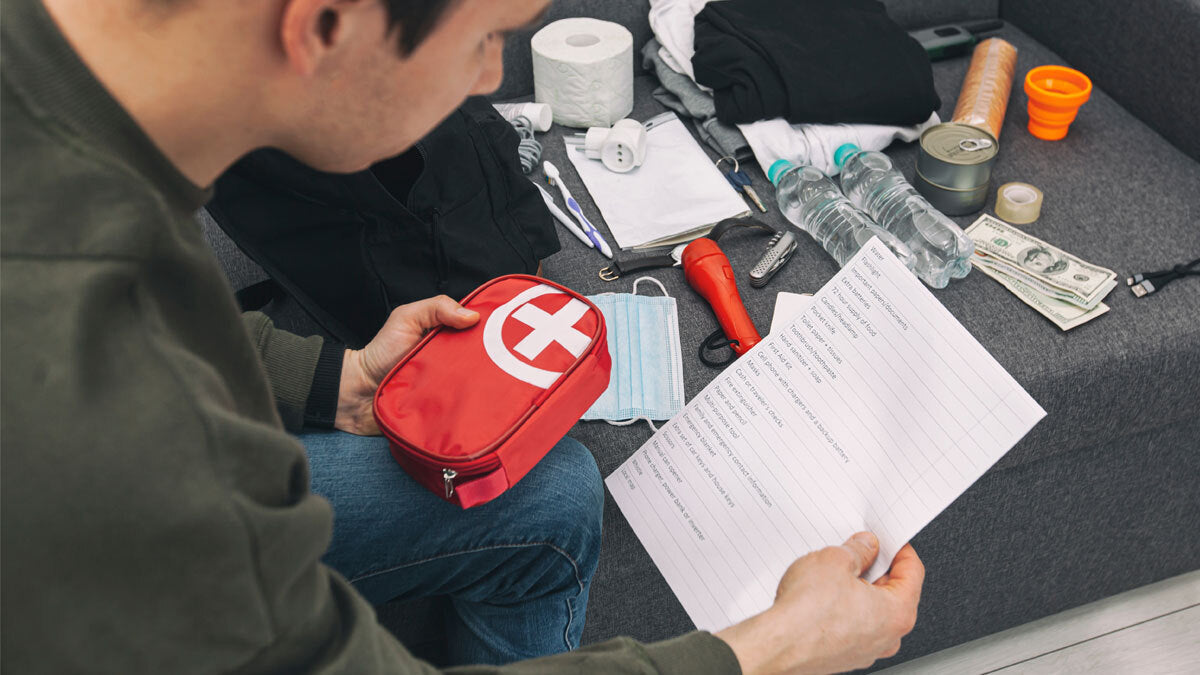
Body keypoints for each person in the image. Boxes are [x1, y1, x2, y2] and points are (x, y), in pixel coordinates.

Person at [0, 0, 925, 673]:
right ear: (324, 24)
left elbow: (153, 325)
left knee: (547, 495)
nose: (492, 78)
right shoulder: (86, 413)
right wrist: (766, 648)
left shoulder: (64, 109)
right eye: (486, 38)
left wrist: (332, 379)